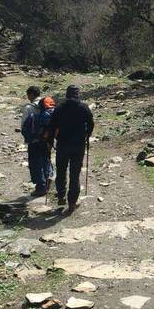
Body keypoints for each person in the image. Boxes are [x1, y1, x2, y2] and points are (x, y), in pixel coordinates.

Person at [49, 85, 94, 215]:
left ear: (67, 94)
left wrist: (51, 141)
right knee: (75, 174)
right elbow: (91, 124)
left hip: (62, 144)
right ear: (77, 94)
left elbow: (52, 126)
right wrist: (87, 136)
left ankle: (61, 196)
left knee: (61, 171)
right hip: (78, 145)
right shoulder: (83, 107)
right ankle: (72, 203)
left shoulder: (59, 108)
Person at [21, 86, 52, 197]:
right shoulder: (48, 105)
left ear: (31, 94)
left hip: (34, 140)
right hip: (47, 139)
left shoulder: (29, 107)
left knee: (35, 163)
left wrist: (27, 137)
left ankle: (40, 187)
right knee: (46, 159)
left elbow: (24, 124)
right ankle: (48, 180)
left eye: (28, 95)